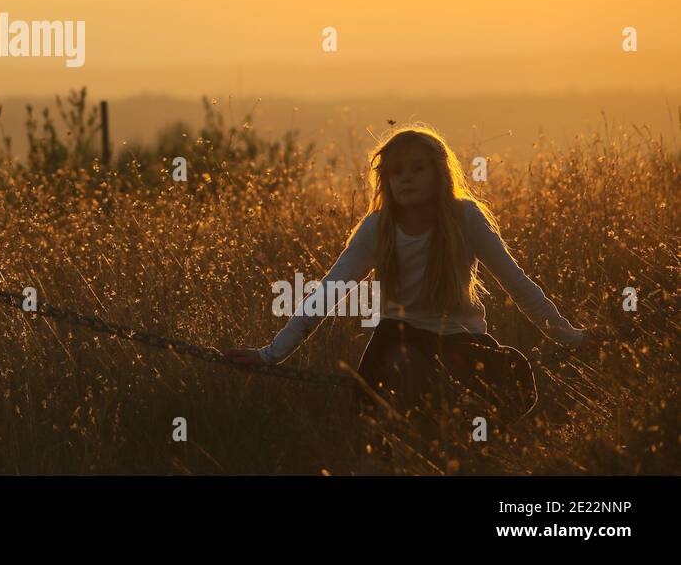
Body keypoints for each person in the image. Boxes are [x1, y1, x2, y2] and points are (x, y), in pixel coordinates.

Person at [226, 125, 592, 421]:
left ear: (440, 172)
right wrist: (270, 354)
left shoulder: (467, 218)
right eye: (396, 171)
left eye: (418, 168)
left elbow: (516, 283)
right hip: (398, 343)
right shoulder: (377, 228)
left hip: (462, 341)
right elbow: (327, 293)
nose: (406, 178)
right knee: (409, 373)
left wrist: (571, 337)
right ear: (385, 180)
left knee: (493, 383)